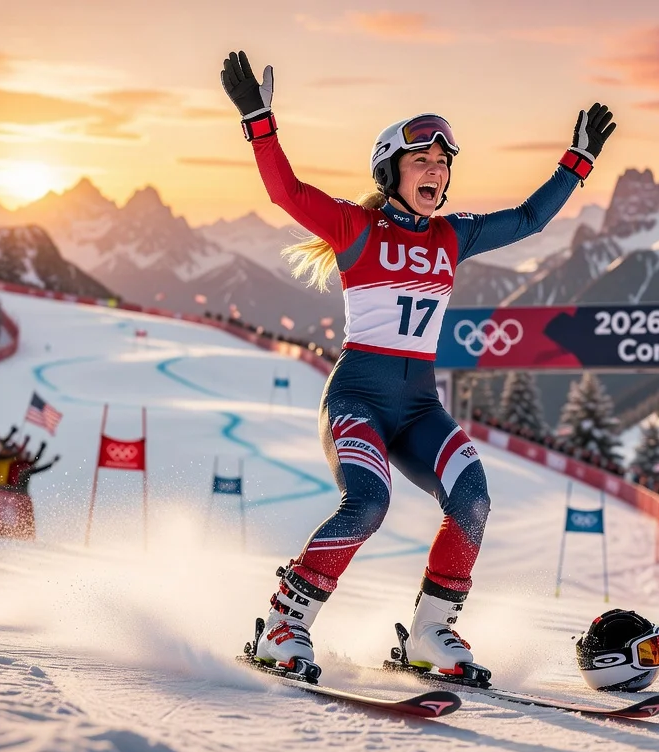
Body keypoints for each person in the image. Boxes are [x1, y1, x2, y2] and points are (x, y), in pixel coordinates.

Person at [221, 49, 617, 678]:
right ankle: (283, 624)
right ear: (391, 171)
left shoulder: (451, 236)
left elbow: (528, 219)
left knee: (473, 499)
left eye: (442, 163)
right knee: (368, 504)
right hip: (357, 399)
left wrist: (579, 161)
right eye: (421, 160)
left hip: (418, 409)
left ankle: (432, 633)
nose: (435, 171)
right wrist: (258, 119)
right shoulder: (357, 229)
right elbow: (285, 191)